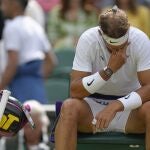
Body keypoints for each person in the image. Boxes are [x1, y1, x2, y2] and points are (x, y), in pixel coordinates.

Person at [55, 6, 150, 150]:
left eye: (122, 46)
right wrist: (108, 71)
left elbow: (149, 87)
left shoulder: (141, 40)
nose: (117, 52)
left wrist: (116, 106)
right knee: (69, 107)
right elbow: (75, 91)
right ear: (100, 33)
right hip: (92, 109)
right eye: (111, 48)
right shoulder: (88, 39)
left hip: (130, 109)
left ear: (129, 29)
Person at [0, 0, 57, 104]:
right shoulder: (35, 26)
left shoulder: (11, 27)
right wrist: (36, 80)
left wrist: (1, 86)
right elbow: (51, 62)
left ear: (14, 4)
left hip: (19, 90)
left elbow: (12, 64)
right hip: (37, 88)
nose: (2, 8)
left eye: (4, 3)